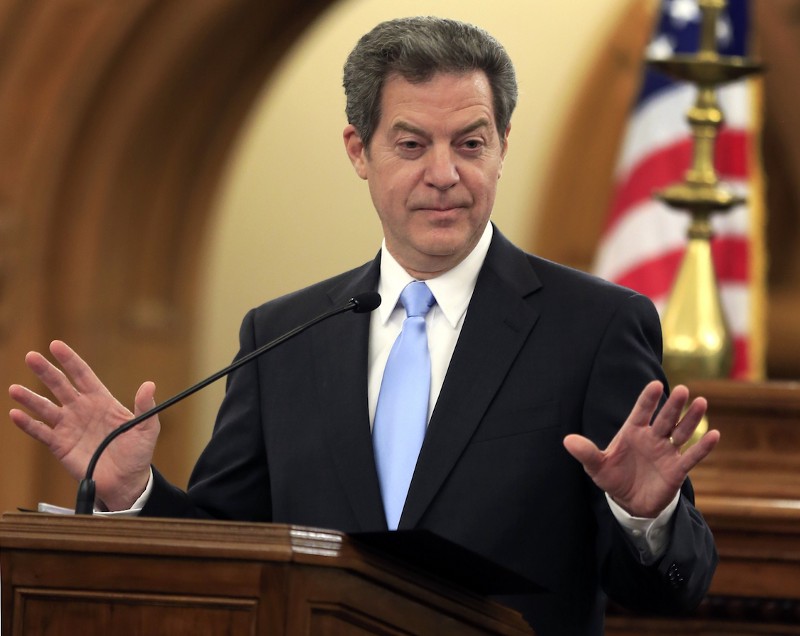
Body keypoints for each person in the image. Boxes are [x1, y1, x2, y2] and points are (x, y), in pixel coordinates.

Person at [9, 16, 719, 635]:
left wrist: (646, 520)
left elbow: (669, 591)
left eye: (470, 144)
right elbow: (226, 554)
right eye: (412, 145)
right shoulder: (282, 336)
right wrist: (133, 491)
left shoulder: (595, 327)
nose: (444, 174)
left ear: (502, 145)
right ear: (358, 150)